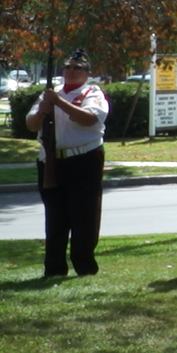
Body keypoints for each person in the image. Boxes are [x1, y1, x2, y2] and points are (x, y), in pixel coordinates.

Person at [27, 48, 109, 277]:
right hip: (51, 161)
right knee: (55, 216)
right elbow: (31, 125)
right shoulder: (49, 94)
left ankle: (84, 267)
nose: (72, 71)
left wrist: (59, 103)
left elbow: (90, 118)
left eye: (78, 68)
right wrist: (43, 110)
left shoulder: (93, 93)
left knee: (84, 216)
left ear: (87, 73)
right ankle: (54, 268)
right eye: (68, 67)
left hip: (83, 159)